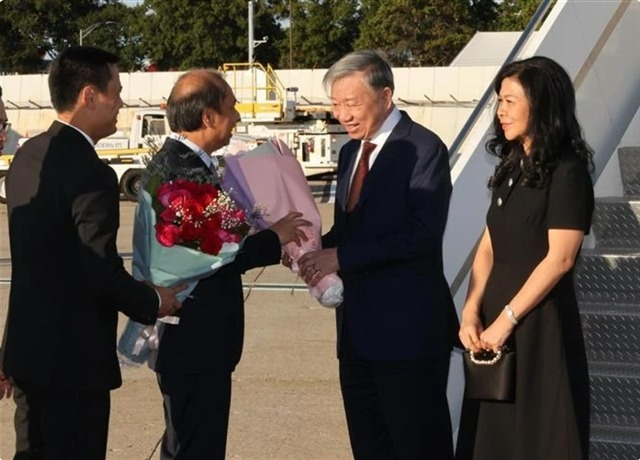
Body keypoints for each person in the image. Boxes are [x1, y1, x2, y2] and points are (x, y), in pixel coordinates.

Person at [1, 46, 185, 460]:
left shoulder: (27, 157)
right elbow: (97, 270)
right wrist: (155, 300)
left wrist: (8, 347)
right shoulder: (90, 172)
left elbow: (32, 269)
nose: (121, 102)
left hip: (29, 355)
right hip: (73, 365)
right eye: (116, 91)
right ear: (88, 96)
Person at [298, 50, 458, 459]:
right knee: (369, 445)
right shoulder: (351, 152)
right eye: (335, 105)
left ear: (386, 96)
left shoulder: (424, 149)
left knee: (417, 445)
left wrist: (341, 258)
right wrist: (309, 248)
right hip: (356, 333)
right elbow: (350, 230)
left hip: (407, 334)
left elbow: (420, 235)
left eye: (351, 104)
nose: (342, 115)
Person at [143, 69, 310, 460]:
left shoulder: (189, 164)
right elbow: (213, 254)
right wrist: (276, 236)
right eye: (231, 108)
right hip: (195, 341)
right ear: (208, 117)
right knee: (194, 446)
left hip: (196, 342)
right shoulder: (180, 170)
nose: (236, 117)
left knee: (194, 441)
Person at [455, 56, 594, 460]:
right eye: (499, 100)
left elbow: (561, 259)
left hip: (538, 322)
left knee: (539, 435)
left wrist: (505, 322)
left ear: (543, 104)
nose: (500, 111)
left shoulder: (568, 171)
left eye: (511, 101)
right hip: (495, 317)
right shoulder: (511, 165)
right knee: (492, 437)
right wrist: (471, 310)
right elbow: (488, 245)